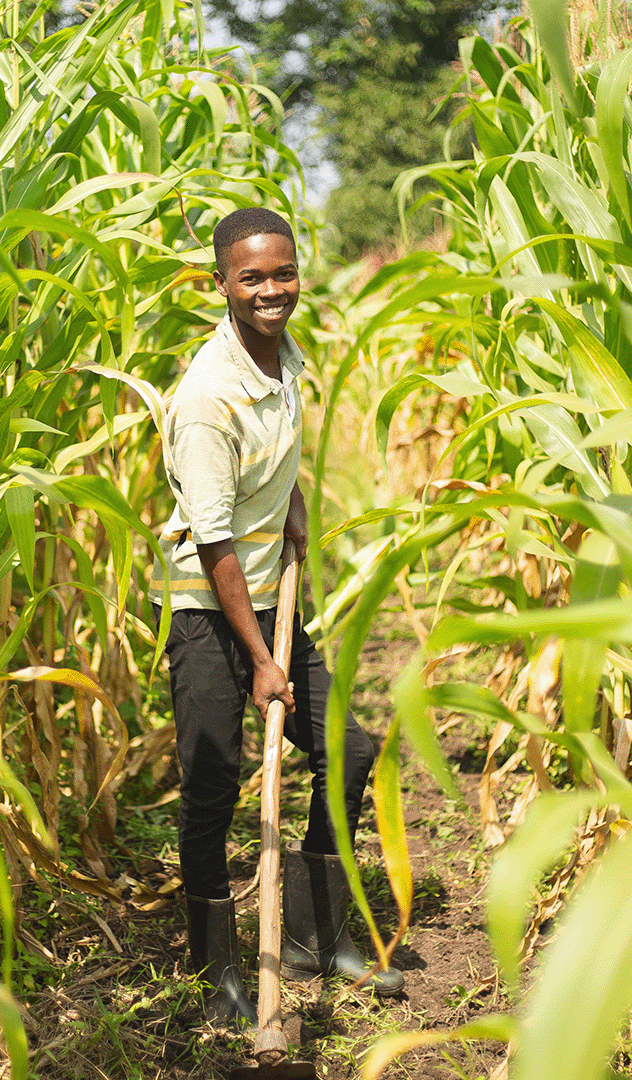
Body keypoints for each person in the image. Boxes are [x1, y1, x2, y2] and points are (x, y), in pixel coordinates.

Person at [150, 207, 404, 1029]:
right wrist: (261, 658)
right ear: (220, 283)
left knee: (348, 749)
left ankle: (315, 938)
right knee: (214, 788)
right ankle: (217, 969)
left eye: (283, 273)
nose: (272, 290)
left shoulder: (280, 355)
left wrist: (289, 496)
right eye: (252, 278)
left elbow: (264, 460)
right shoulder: (206, 400)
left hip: (266, 595)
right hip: (208, 609)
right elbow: (213, 540)